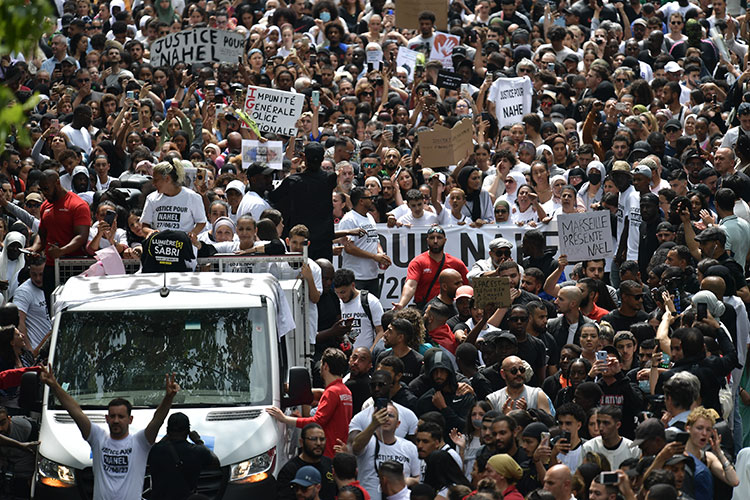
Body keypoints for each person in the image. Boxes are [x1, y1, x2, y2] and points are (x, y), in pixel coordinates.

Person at [39, 366, 179, 500]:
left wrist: (169, 397)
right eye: (112, 416)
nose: (116, 420)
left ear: (130, 419)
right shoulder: (97, 438)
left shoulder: (140, 442)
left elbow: (158, 419)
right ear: (107, 419)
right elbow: (75, 411)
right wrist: (54, 386)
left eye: (121, 416)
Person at [267, 348, 353, 458]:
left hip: (328, 453)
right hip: (337, 452)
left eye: (321, 364)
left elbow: (317, 422)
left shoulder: (332, 392)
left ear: (325, 366)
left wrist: (284, 418)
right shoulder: (346, 391)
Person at [27, 170, 90, 306]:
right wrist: (34, 249)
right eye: (42, 190)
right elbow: (42, 234)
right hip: (50, 266)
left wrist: (62, 251)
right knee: (51, 308)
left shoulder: (78, 204)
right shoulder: (45, 206)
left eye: (46, 189)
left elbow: (81, 236)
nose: (44, 193)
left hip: (74, 266)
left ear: (57, 183)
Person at [269, 142, 338, 261]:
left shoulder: (293, 181)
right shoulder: (330, 178)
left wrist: (293, 168)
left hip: (300, 242)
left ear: (304, 158)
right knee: (323, 274)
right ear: (322, 159)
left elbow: (273, 197)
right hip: (322, 242)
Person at [351, 402, 419, 500]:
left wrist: (405, 481)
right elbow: (356, 448)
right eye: (383, 415)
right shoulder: (367, 441)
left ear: (398, 424)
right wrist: (373, 425)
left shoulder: (409, 447)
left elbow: (418, 478)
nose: (386, 418)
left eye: (390, 416)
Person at [393, 226, 468, 310]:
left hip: (451, 309)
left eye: (439, 238)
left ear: (445, 240)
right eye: (432, 238)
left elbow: (469, 286)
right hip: (425, 309)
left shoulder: (456, 263)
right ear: (427, 240)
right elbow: (411, 285)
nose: (435, 241)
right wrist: (401, 304)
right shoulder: (418, 262)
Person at [147, 412, 219, 500]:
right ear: (188, 431)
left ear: (167, 430)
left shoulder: (155, 450)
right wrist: (198, 441)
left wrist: (166, 437)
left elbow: (153, 450)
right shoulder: (197, 451)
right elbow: (215, 462)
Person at [339, 186, 391, 295]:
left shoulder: (370, 217)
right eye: (369, 197)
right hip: (356, 276)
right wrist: (373, 256)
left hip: (372, 275)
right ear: (361, 201)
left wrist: (381, 254)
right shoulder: (349, 219)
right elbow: (349, 248)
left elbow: (375, 239)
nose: (372, 200)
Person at [276, 423, 336, 500]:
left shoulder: (330, 464)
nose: (318, 443)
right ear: (301, 442)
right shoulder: (289, 471)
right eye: (313, 439)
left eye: (322, 439)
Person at [333, 269, 384, 351]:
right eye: (337, 293)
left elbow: (381, 331)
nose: (340, 296)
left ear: (353, 285)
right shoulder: (336, 303)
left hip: (366, 357)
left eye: (343, 292)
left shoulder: (370, 301)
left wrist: (371, 352)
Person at [486, 356, 551, 415]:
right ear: (503, 374)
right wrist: (505, 418)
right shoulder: (493, 399)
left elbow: (549, 422)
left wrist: (526, 414)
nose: (519, 373)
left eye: (521, 369)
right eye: (513, 371)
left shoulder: (538, 395)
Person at [12, 256, 51, 352]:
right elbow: (20, 322)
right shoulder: (24, 292)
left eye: (41, 274)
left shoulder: (53, 285)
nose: (38, 278)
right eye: (34, 274)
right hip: (37, 349)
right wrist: (30, 351)